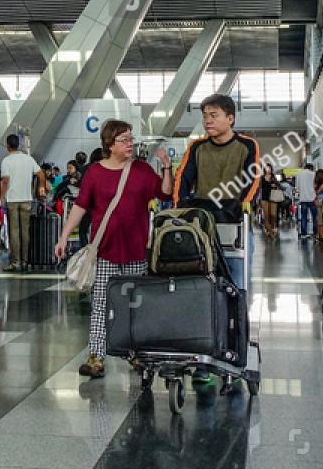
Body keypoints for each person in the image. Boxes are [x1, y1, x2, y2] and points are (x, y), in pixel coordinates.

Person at [53, 119, 173, 378]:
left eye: (131, 139)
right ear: (109, 144)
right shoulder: (95, 173)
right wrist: (64, 237)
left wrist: (166, 167)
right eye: (124, 140)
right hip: (105, 249)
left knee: (135, 305)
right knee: (101, 304)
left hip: (136, 250)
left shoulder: (141, 169)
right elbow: (81, 207)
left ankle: (136, 354)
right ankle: (96, 356)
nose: (130, 144)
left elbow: (164, 194)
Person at [173, 93, 261, 289]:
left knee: (237, 283)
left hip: (235, 225)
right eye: (205, 116)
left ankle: (237, 317)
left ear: (230, 119)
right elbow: (183, 179)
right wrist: (179, 207)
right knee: (203, 284)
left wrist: (243, 206)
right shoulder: (197, 147)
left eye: (214, 115)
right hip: (203, 225)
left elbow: (254, 180)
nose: (207, 121)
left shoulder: (247, 145)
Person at [0, 134, 45, 273]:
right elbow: (41, 174)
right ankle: (25, 261)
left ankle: (15, 262)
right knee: (25, 230)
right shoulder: (28, 159)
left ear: (8, 145)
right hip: (26, 199)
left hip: (12, 199)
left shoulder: (6, 161)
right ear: (19, 145)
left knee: (14, 231)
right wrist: (41, 187)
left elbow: (5, 181)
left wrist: (0, 198)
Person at [295, 163, 318, 241]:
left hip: (303, 198)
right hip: (312, 198)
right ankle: (315, 232)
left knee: (303, 216)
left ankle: (304, 233)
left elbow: (297, 186)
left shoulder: (299, 174)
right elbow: (315, 185)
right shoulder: (313, 174)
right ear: (311, 168)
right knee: (314, 217)